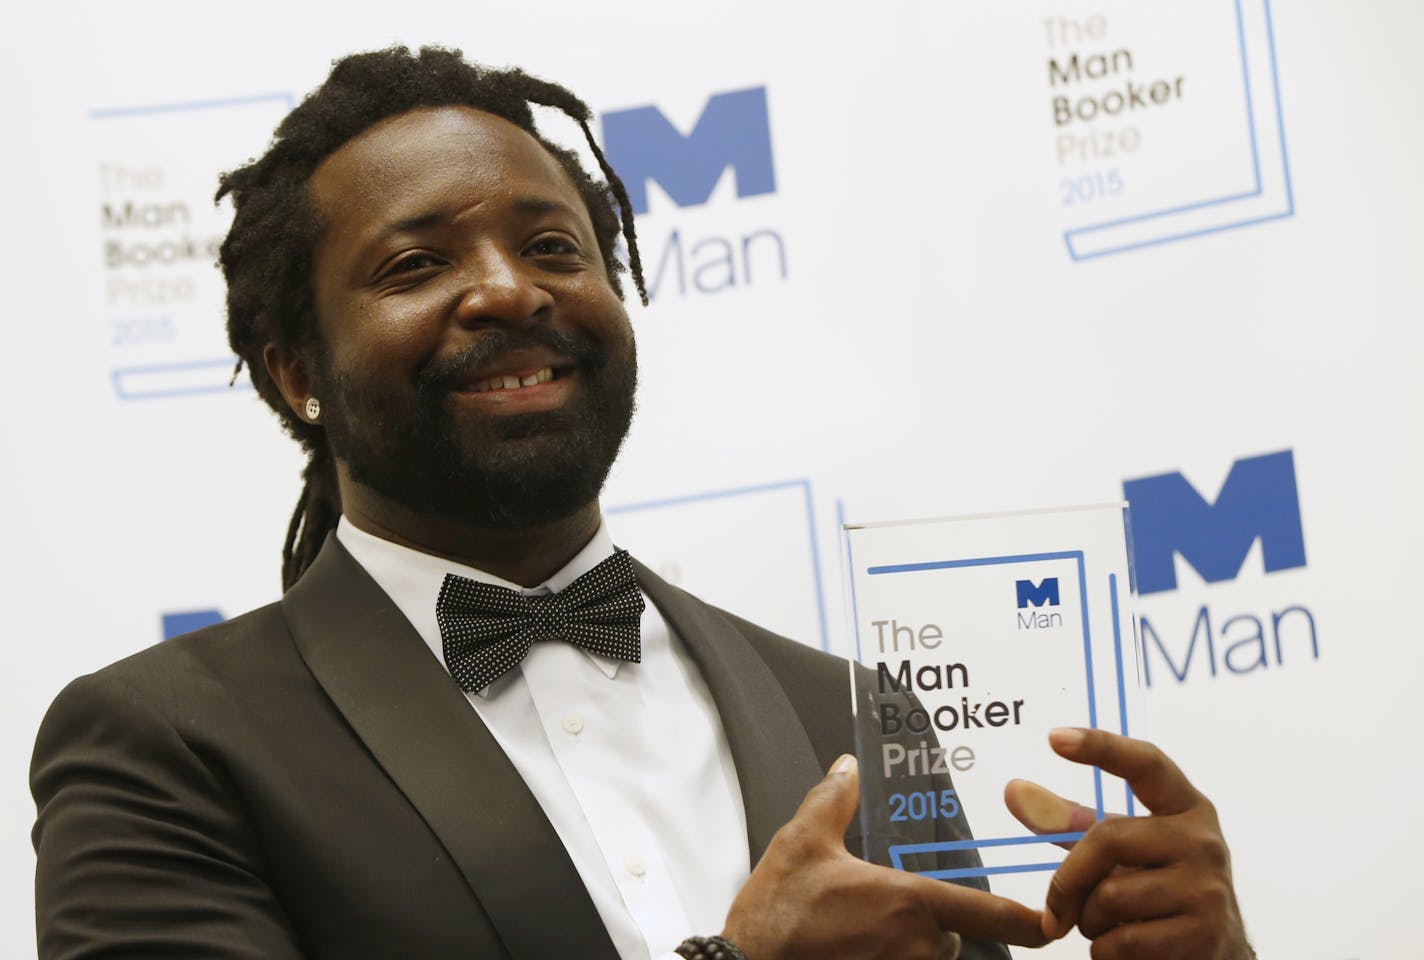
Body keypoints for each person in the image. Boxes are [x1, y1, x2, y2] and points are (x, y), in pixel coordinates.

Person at [31, 47, 1255, 960]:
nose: (508, 292)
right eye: (417, 265)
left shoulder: (850, 710)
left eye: (555, 246)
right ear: (297, 375)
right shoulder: (167, 744)